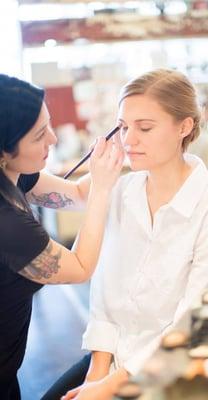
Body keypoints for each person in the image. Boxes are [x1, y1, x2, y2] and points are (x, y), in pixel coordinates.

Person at [42, 68, 208, 400]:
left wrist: (108, 386)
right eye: (122, 127)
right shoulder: (121, 191)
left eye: (145, 128)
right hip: (112, 357)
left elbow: (192, 323)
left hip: (171, 366)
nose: (128, 140)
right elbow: (104, 292)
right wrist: (97, 370)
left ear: (184, 126)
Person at [0, 74, 124, 400]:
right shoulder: (7, 224)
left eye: (49, 124)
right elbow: (81, 266)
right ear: (4, 151)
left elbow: (77, 193)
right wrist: (103, 190)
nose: (53, 139)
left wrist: (112, 153)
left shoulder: (15, 174)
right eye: (40, 135)